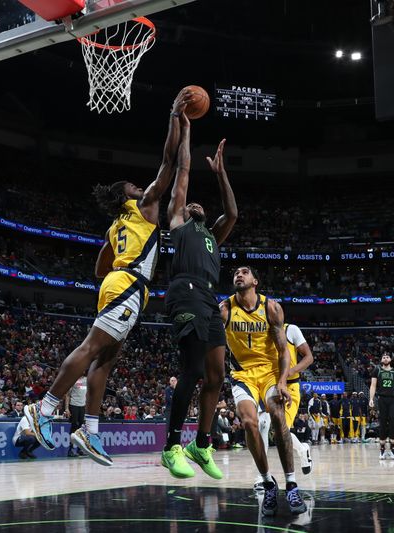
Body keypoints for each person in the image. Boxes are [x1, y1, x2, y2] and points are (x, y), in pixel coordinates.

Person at [25, 92, 192, 466]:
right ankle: (45, 408)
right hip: (128, 287)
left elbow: (100, 268)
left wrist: (120, 266)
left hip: (121, 284)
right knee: (90, 349)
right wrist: (174, 117)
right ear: (126, 196)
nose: (140, 185)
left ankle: (91, 430)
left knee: (107, 360)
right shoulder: (145, 206)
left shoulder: (114, 226)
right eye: (132, 185)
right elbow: (168, 161)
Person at [159, 117, 237, 481]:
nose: (192, 204)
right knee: (191, 370)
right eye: (189, 204)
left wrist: (221, 173)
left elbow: (233, 213)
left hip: (208, 298)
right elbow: (183, 171)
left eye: (196, 205)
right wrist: (187, 132)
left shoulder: (213, 234)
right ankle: (172, 445)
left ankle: (201, 443)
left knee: (217, 375)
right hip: (185, 290)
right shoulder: (179, 222)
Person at [220, 266, 307, 516]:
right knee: (249, 422)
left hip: (269, 372)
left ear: (255, 281)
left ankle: (291, 484)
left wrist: (282, 381)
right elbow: (215, 344)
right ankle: (268, 482)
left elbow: (283, 351)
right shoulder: (224, 309)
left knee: (278, 414)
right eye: (236, 272)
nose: (239, 274)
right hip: (242, 374)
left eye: (245, 272)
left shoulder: (271, 308)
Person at [256, 322, 316, 479]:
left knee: (281, 432)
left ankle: (302, 450)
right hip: (266, 385)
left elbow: (309, 357)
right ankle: (261, 476)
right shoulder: (258, 332)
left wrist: (290, 371)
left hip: (290, 386)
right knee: (262, 423)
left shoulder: (291, 329)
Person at [65, 373, 87, 457]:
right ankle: (70, 450)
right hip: (74, 405)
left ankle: (80, 449)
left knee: (81, 429)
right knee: (74, 428)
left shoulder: (87, 380)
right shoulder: (73, 379)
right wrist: (67, 408)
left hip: (82, 406)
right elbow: (67, 395)